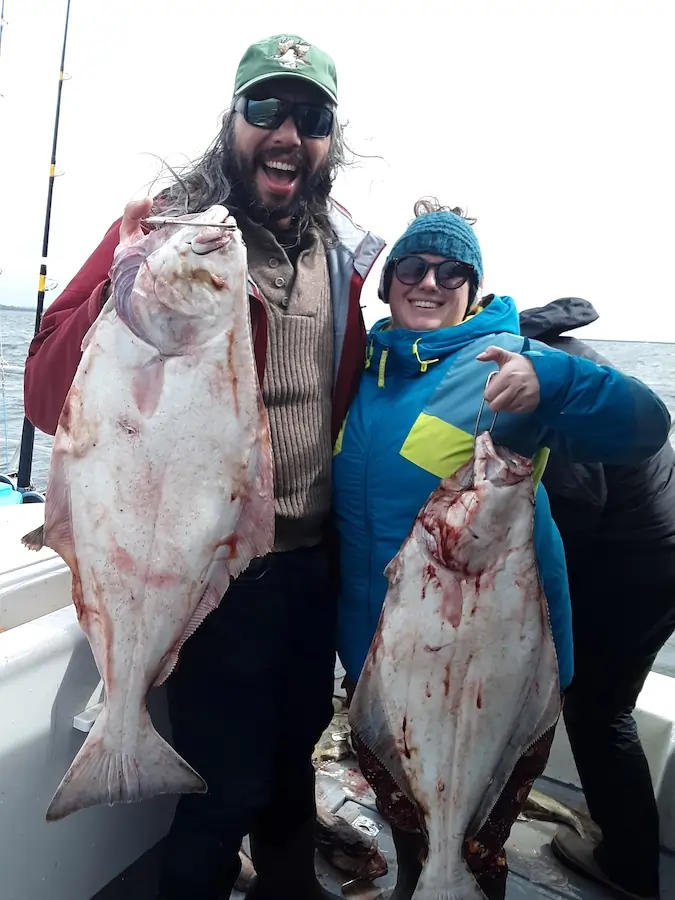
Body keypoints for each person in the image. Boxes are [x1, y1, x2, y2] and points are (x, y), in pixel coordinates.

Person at [23, 34, 385, 900]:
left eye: (311, 117)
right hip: (212, 573)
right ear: (231, 122)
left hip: (314, 567)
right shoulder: (164, 235)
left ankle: (288, 887)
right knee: (226, 792)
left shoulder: (340, 257)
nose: (287, 134)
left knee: (294, 763)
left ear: (330, 139)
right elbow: (40, 394)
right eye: (266, 109)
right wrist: (115, 288)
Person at [331, 199, 671, 900]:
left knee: (472, 847)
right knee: (409, 829)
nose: (430, 282)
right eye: (413, 268)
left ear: (473, 288)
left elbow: (644, 424)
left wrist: (557, 380)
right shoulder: (359, 373)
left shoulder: (506, 367)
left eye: (451, 272)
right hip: (382, 665)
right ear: (388, 282)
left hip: (489, 671)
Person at [519, 297, 675, 900]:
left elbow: (578, 509)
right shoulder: (562, 357)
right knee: (602, 708)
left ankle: (629, 865)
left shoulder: (543, 385)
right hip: (654, 550)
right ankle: (627, 841)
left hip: (634, 566)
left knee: (597, 712)